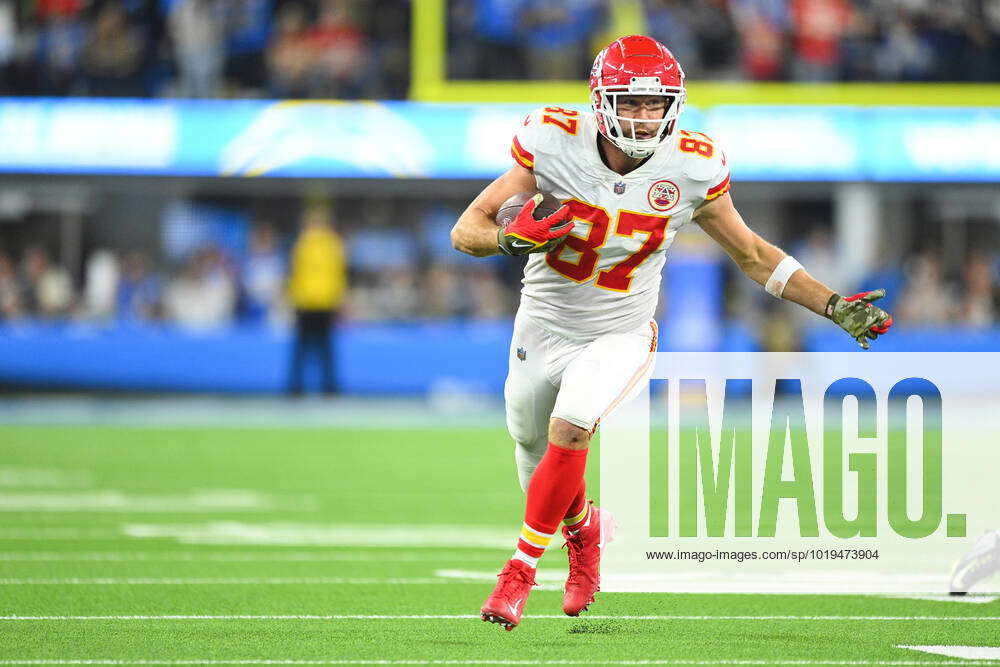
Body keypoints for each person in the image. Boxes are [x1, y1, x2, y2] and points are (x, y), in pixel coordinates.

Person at [450, 35, 894, 631]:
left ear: (674, 104)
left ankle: (518, 573)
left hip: (621, 332)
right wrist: (510, 238)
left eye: (653, 103)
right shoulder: (552, 140)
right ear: (599, 102)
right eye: (628, 103)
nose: (642, 115)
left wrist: (834, 306)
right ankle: (586, 531)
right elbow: (466, 230)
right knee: (534, 455)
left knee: (570, 425)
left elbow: (755, 255)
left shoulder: (692, 164)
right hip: (542, 324)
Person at [286, 203, 347, 395]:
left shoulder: (305, 243)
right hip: (317, 302)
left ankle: (304, 387)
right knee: (317, 349)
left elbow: (295, 273)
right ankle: (324, 388)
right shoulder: (331, 243)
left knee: (311, 349)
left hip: (314, 303)